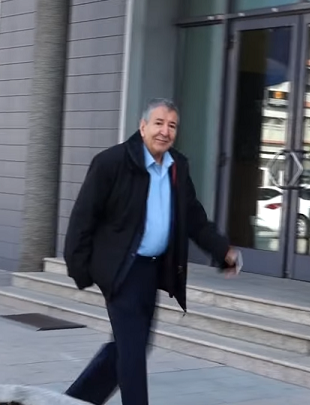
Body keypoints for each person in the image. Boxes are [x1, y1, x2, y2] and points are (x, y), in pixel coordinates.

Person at [63, 98, 239, 405]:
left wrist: (221, 250)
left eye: (172, 125)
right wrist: (81, 269)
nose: (165, 131)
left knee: (130, 346)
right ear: (142, 126)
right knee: (132, 353)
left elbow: (193, 217)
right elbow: (83, 218)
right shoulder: (112, 162)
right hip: (120, 269)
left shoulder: (177, 167)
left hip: (151, 270)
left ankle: (73, 401)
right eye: (158, 123)